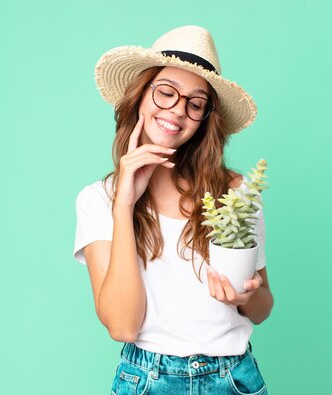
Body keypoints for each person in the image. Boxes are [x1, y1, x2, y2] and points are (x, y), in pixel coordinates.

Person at [73, 25, 273, 395]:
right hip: (148, 380)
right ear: (140, 99)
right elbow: (122, 327)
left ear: (203, 120)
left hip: (234, 378)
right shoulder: (98, 200)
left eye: (195, 103)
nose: (178, 111)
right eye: (166, 93)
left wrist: (247, 295)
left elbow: (262, 308)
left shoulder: (236, 195)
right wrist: (125, 205)